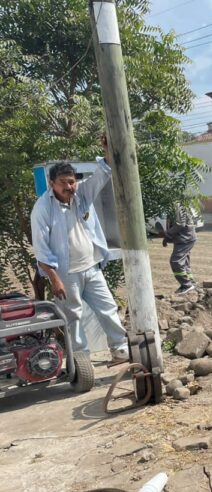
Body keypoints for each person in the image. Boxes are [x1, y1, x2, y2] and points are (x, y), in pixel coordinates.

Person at [31, 152, 129, 362]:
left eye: (72, 182)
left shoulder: (81, 195)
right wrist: (54, 278)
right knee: (72, 316)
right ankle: (81, 358)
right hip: (65, 274)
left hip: (91, 267)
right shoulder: (42, 209)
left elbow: (101, 175)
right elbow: (41, 248)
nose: (69, 187)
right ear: (51, 183)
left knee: (107, 308)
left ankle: (121, 349)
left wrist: (110, 152)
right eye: (63, 183)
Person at [162, 204, 197, 295]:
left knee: (175, 261)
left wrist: (167, 233)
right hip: (185, 238)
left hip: (185, 239)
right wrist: (168, 237)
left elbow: (180, 224)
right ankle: (191, 283)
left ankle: (186, 285)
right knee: (184, 262)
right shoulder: (180, 205)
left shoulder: (177, 205)